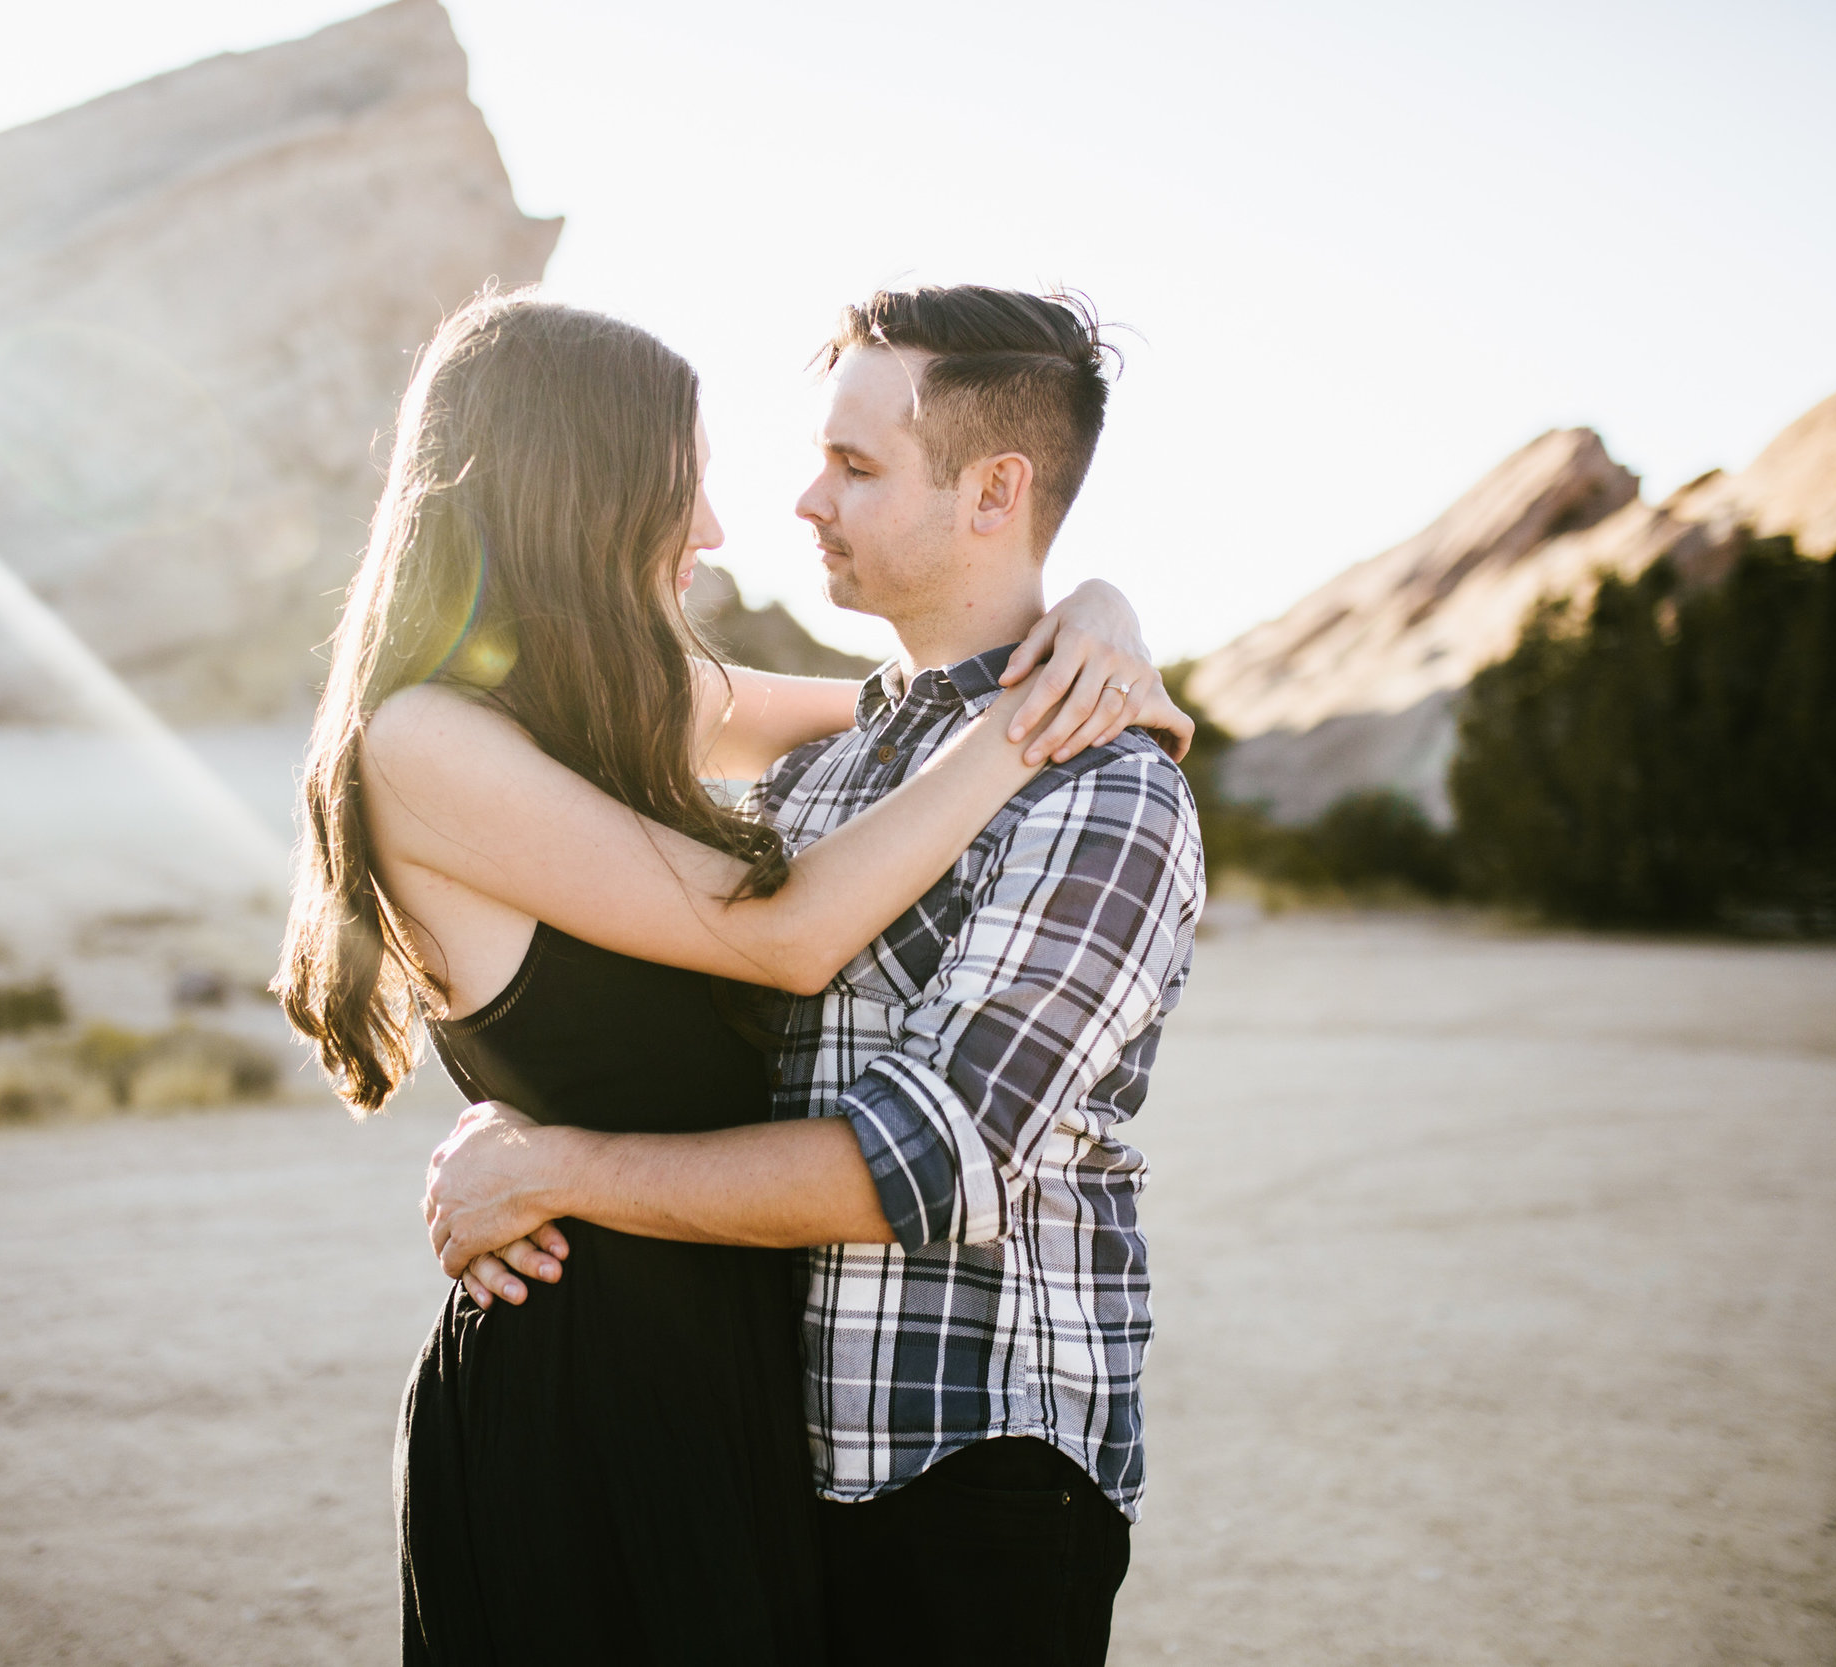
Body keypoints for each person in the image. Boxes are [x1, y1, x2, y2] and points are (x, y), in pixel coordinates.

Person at [272, 289, 1191, 1665]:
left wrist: (1097, 625)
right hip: (594, 1385)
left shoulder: (621, 705)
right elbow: (784, 938)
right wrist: (1030, 722)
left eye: (852, 467)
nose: (720, 529)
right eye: (680, 490)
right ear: (573, 490)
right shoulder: (427, 742)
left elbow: (885, 710)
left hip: (758, 1392)